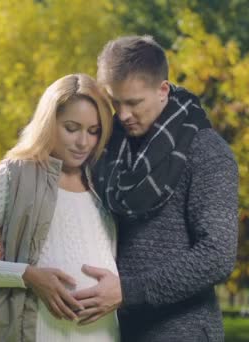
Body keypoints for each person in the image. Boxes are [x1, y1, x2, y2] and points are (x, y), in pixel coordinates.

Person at [70, 36, 240, 341]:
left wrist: (128, 292)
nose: (123, 115)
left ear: (163, 90)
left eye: (134, 103)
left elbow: (217, 256)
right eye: (114, 103)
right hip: (111, 329)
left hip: (184, 331)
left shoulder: (207, 151)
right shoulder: (107, 148)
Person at [0, 74, 119, 341]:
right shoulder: (16, 174)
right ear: (49, 123)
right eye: (71, 128)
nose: (83, 142)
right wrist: (26, 275)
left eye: (94, 131)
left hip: (104, 333)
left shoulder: (110, 179)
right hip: (35, 330)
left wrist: (122, 289)